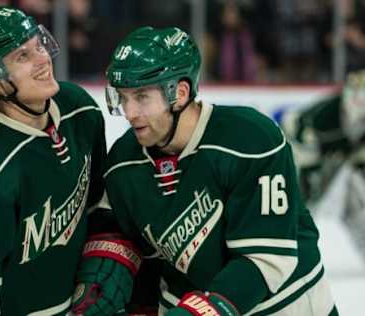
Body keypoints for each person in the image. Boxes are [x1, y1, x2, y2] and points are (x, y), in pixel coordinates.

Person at [102, 26, 338, 315]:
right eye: (123, 98)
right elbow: (145, 258)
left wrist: (204, 310)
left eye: (141, 97)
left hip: (284, 304)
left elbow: (266, 260)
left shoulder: (249, 138)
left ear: (179, 92)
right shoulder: (123, 162)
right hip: (189, 302)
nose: (130, 112)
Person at [0, 6, 141, 315]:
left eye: (39, 45)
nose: (44, 59)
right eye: (22, 56)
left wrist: (105, 263)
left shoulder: (77, 109)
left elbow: (99, 203)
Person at [279, 68, 365, 258]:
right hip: (304, 150)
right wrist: (311, 176)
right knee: (302, 201)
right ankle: (289, 247)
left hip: (336, 153)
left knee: (355, 198)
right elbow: (299, 141)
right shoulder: (323, 118)